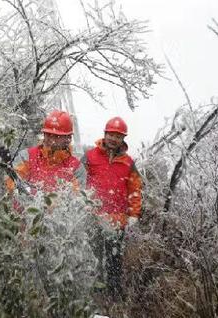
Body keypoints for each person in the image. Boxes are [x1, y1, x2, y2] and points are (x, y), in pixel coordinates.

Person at [82, 116, 142, 300]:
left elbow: (135, 188)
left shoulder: (128, 162)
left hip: (116, 220)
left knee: (114, 258)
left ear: (122, 139)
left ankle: (114, 291)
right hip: (93, 216)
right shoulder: (90, 156)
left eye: (118, 136)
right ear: (105, 134)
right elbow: (77, 178)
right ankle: (95, 292)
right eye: (111, 134)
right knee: (94, 256)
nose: (113, 139)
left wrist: (134, 213)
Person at [5, 110, 86, 196]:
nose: (51, 139)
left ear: (68, 138)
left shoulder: (76, 168)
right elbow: (11, 182)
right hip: (25, 209)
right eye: (48, 134)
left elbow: (76, 200)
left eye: (56, 136)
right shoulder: (27, 156)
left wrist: (51, 203)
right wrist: (27, 191)